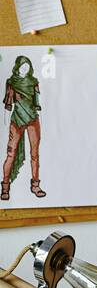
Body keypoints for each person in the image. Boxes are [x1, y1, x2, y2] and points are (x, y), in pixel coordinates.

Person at [2, 55, 45, 200]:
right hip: (16, 121)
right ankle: (5, 187)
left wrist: (40, 120)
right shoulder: (11, 82)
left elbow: (37, 104)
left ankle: (35, 185)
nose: (25, 68)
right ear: (17, 67)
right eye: (22, 66)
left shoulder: (34, 82)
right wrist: (5, 122)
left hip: (33, 120)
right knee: (11, 154)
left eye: (27, 66)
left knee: (35, 154)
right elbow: (8, 105)